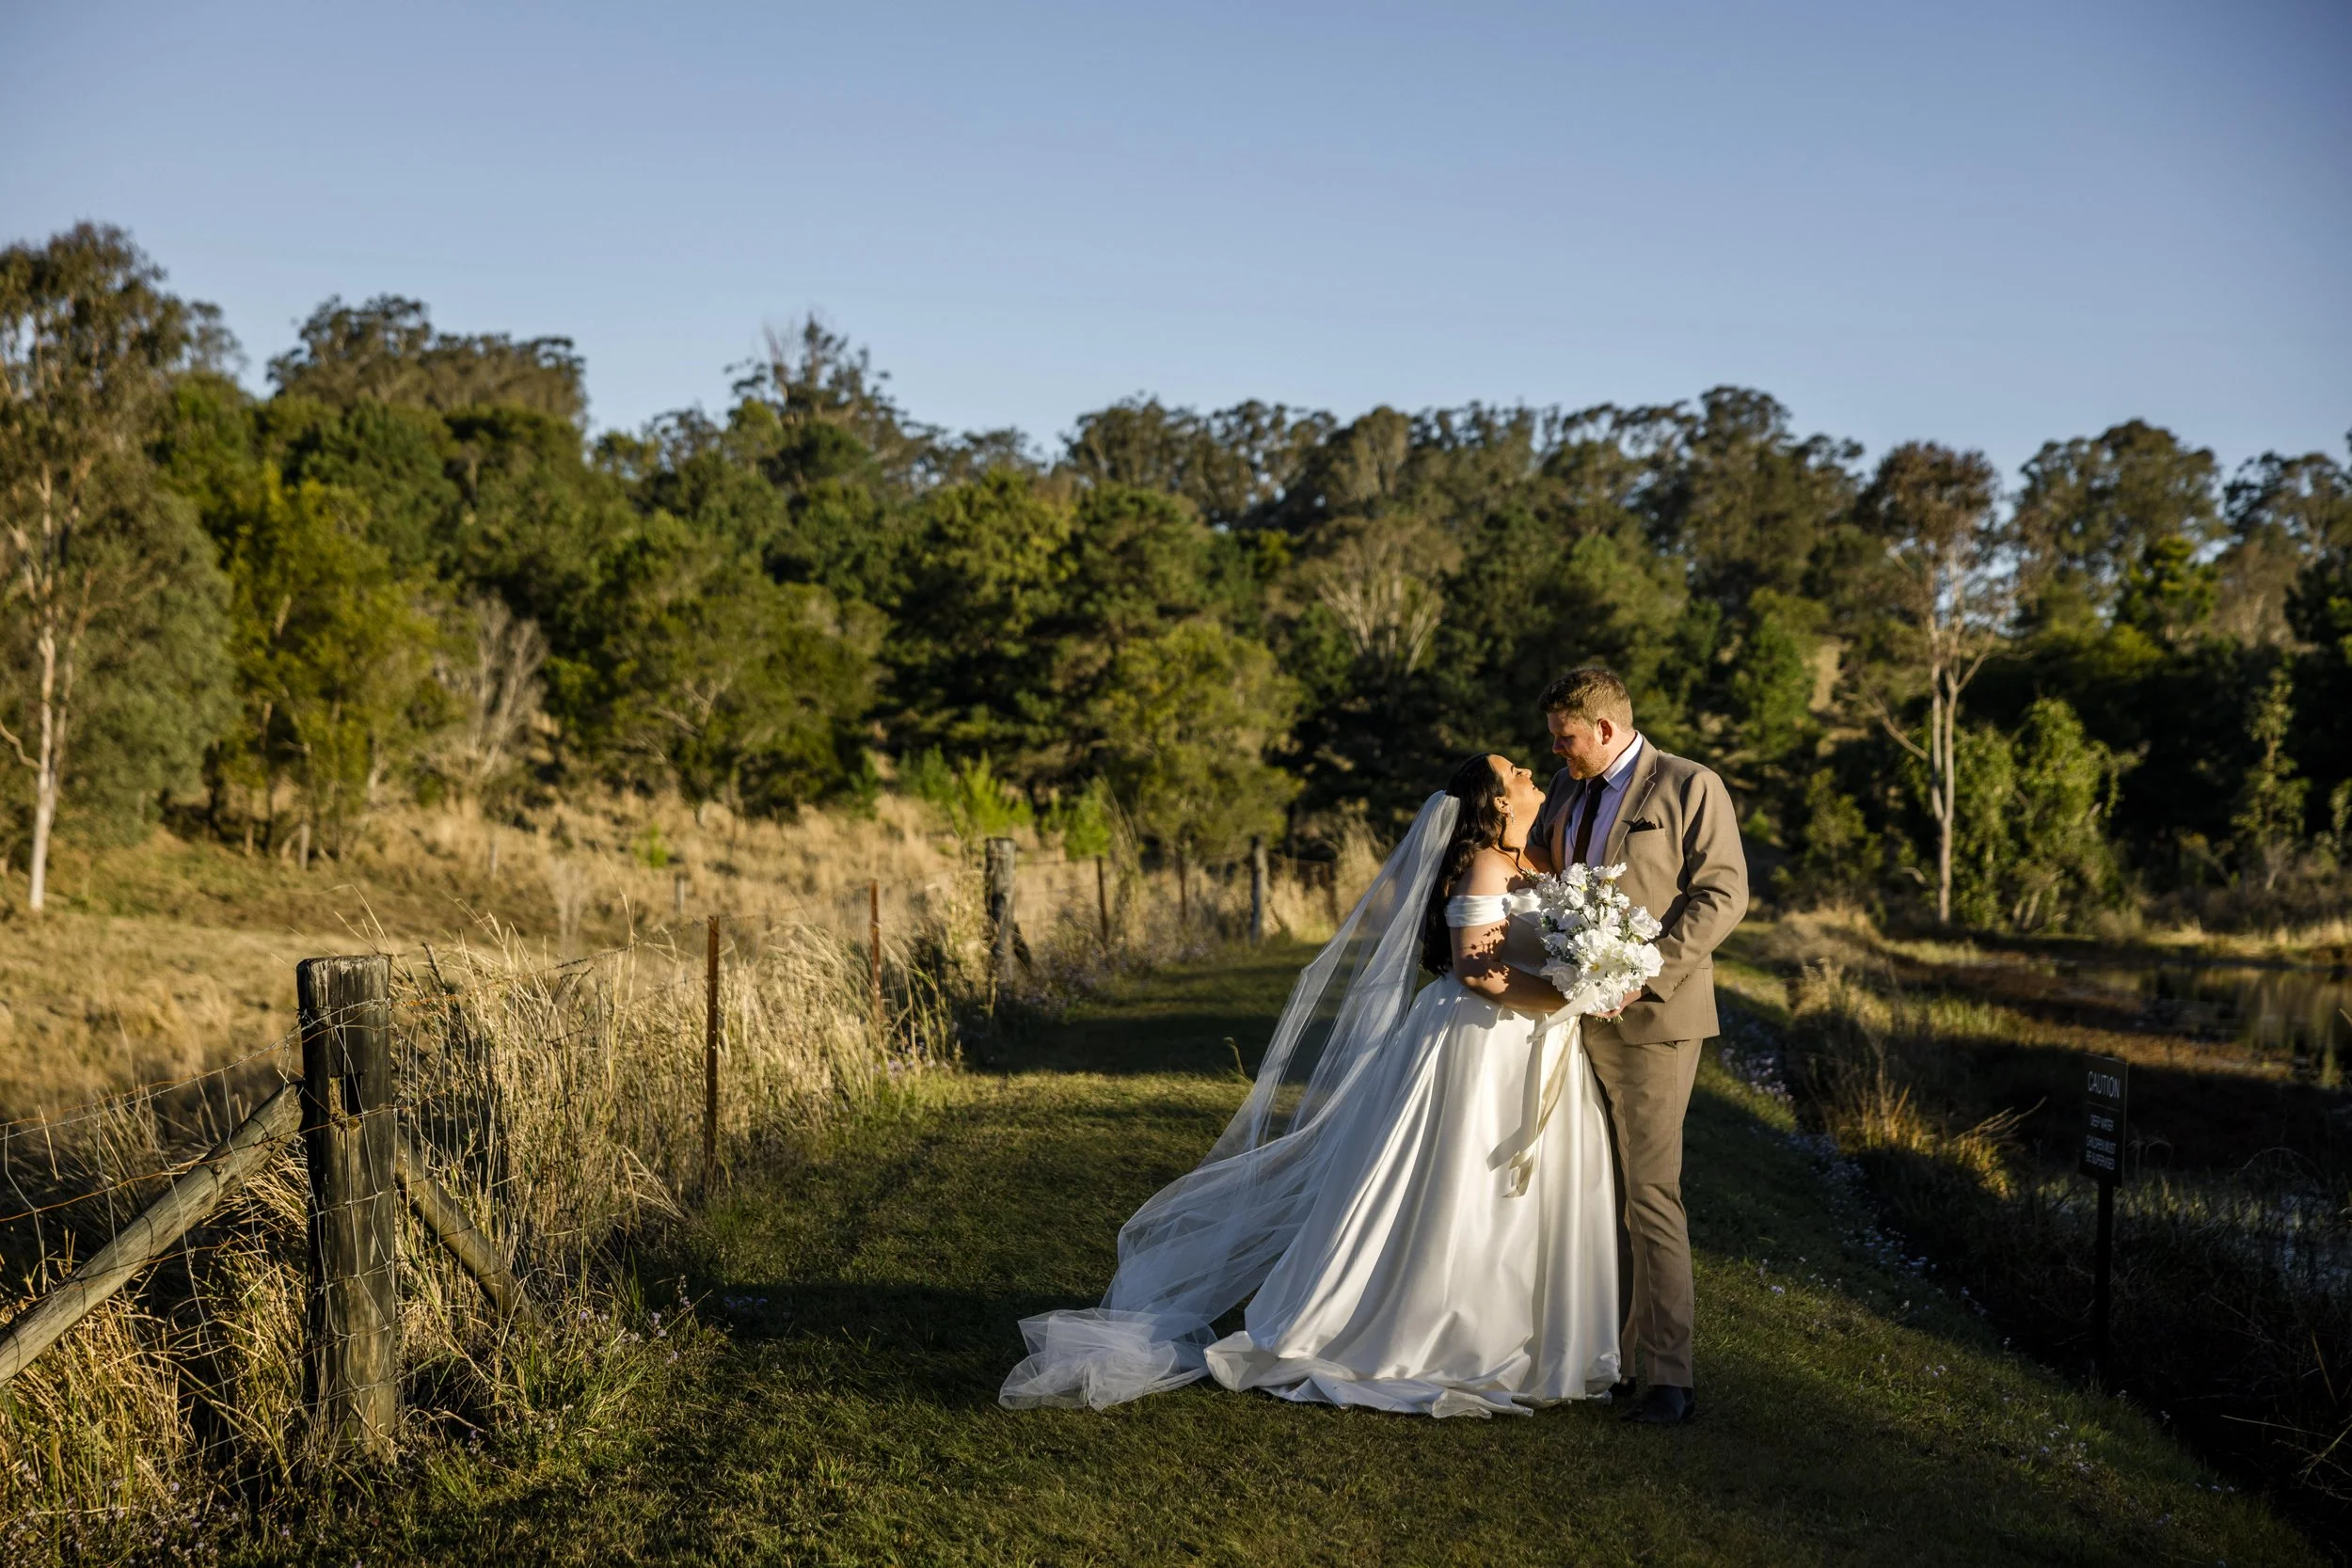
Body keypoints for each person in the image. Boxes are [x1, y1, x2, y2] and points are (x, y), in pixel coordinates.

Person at [1001, 752, 1622, 1417]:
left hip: (1529, 1043)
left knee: (1517, 1188)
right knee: (1457, 1182)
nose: (1532, 775)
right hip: (1478, 1046)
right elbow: (1477, 970)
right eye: (1518, 774)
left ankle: (1528, 1333)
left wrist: (1589, 973)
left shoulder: (1535, 860)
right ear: (1499, 801)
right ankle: (1437, 1329)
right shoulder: (1486, 864)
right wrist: (1571, 996)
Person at [1527, 665, 1749, 1426]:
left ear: (1606, 729)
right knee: (1600, 1192)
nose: (1559, 753)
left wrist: (1644, 973)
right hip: (1571, 1021)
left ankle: (1668, 1377)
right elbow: (1540, 873)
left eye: (1567, 740)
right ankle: (1611, 1357)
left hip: (1656, 1021)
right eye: (1554, 741)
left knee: (1651, 1194)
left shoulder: (1689, 786)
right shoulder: (1564, 792)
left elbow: (1723, 893)